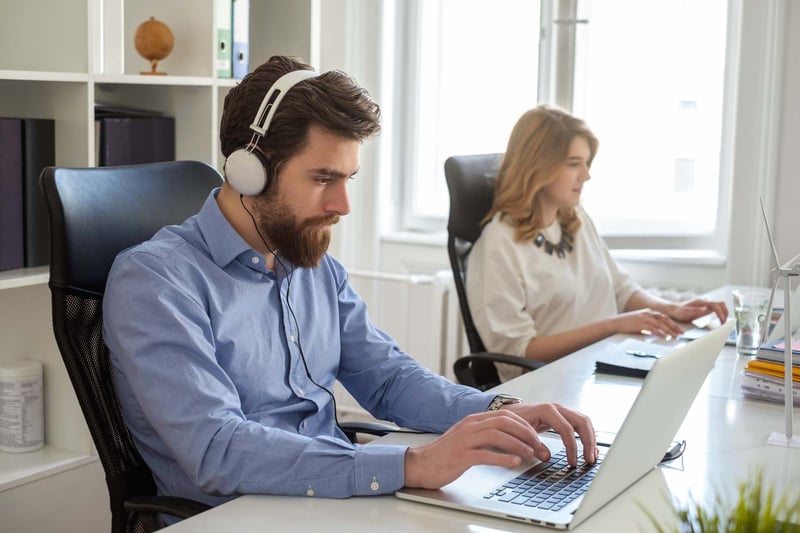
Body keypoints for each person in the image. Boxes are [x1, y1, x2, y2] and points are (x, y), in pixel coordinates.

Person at [102, 57, 597, 518]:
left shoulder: (312, 265)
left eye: (348, 179)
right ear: (248, 171)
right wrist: (412, 465)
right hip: (240, 516)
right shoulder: (157, 280)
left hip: (329, 500)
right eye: (323, 178)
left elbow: (388, 379)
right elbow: (217, 448)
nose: (342, 204)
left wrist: (499, 411)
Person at [466, 105, 728, 381]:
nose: (586, 175)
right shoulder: (498, 246)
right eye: (573, 164)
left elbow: (620, 289)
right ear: (538, 166)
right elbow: (521, 352)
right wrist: (613, 325)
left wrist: (671, 309)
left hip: (602, 366)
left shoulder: (575, 220)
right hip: (549, 386)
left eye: (586, 163)